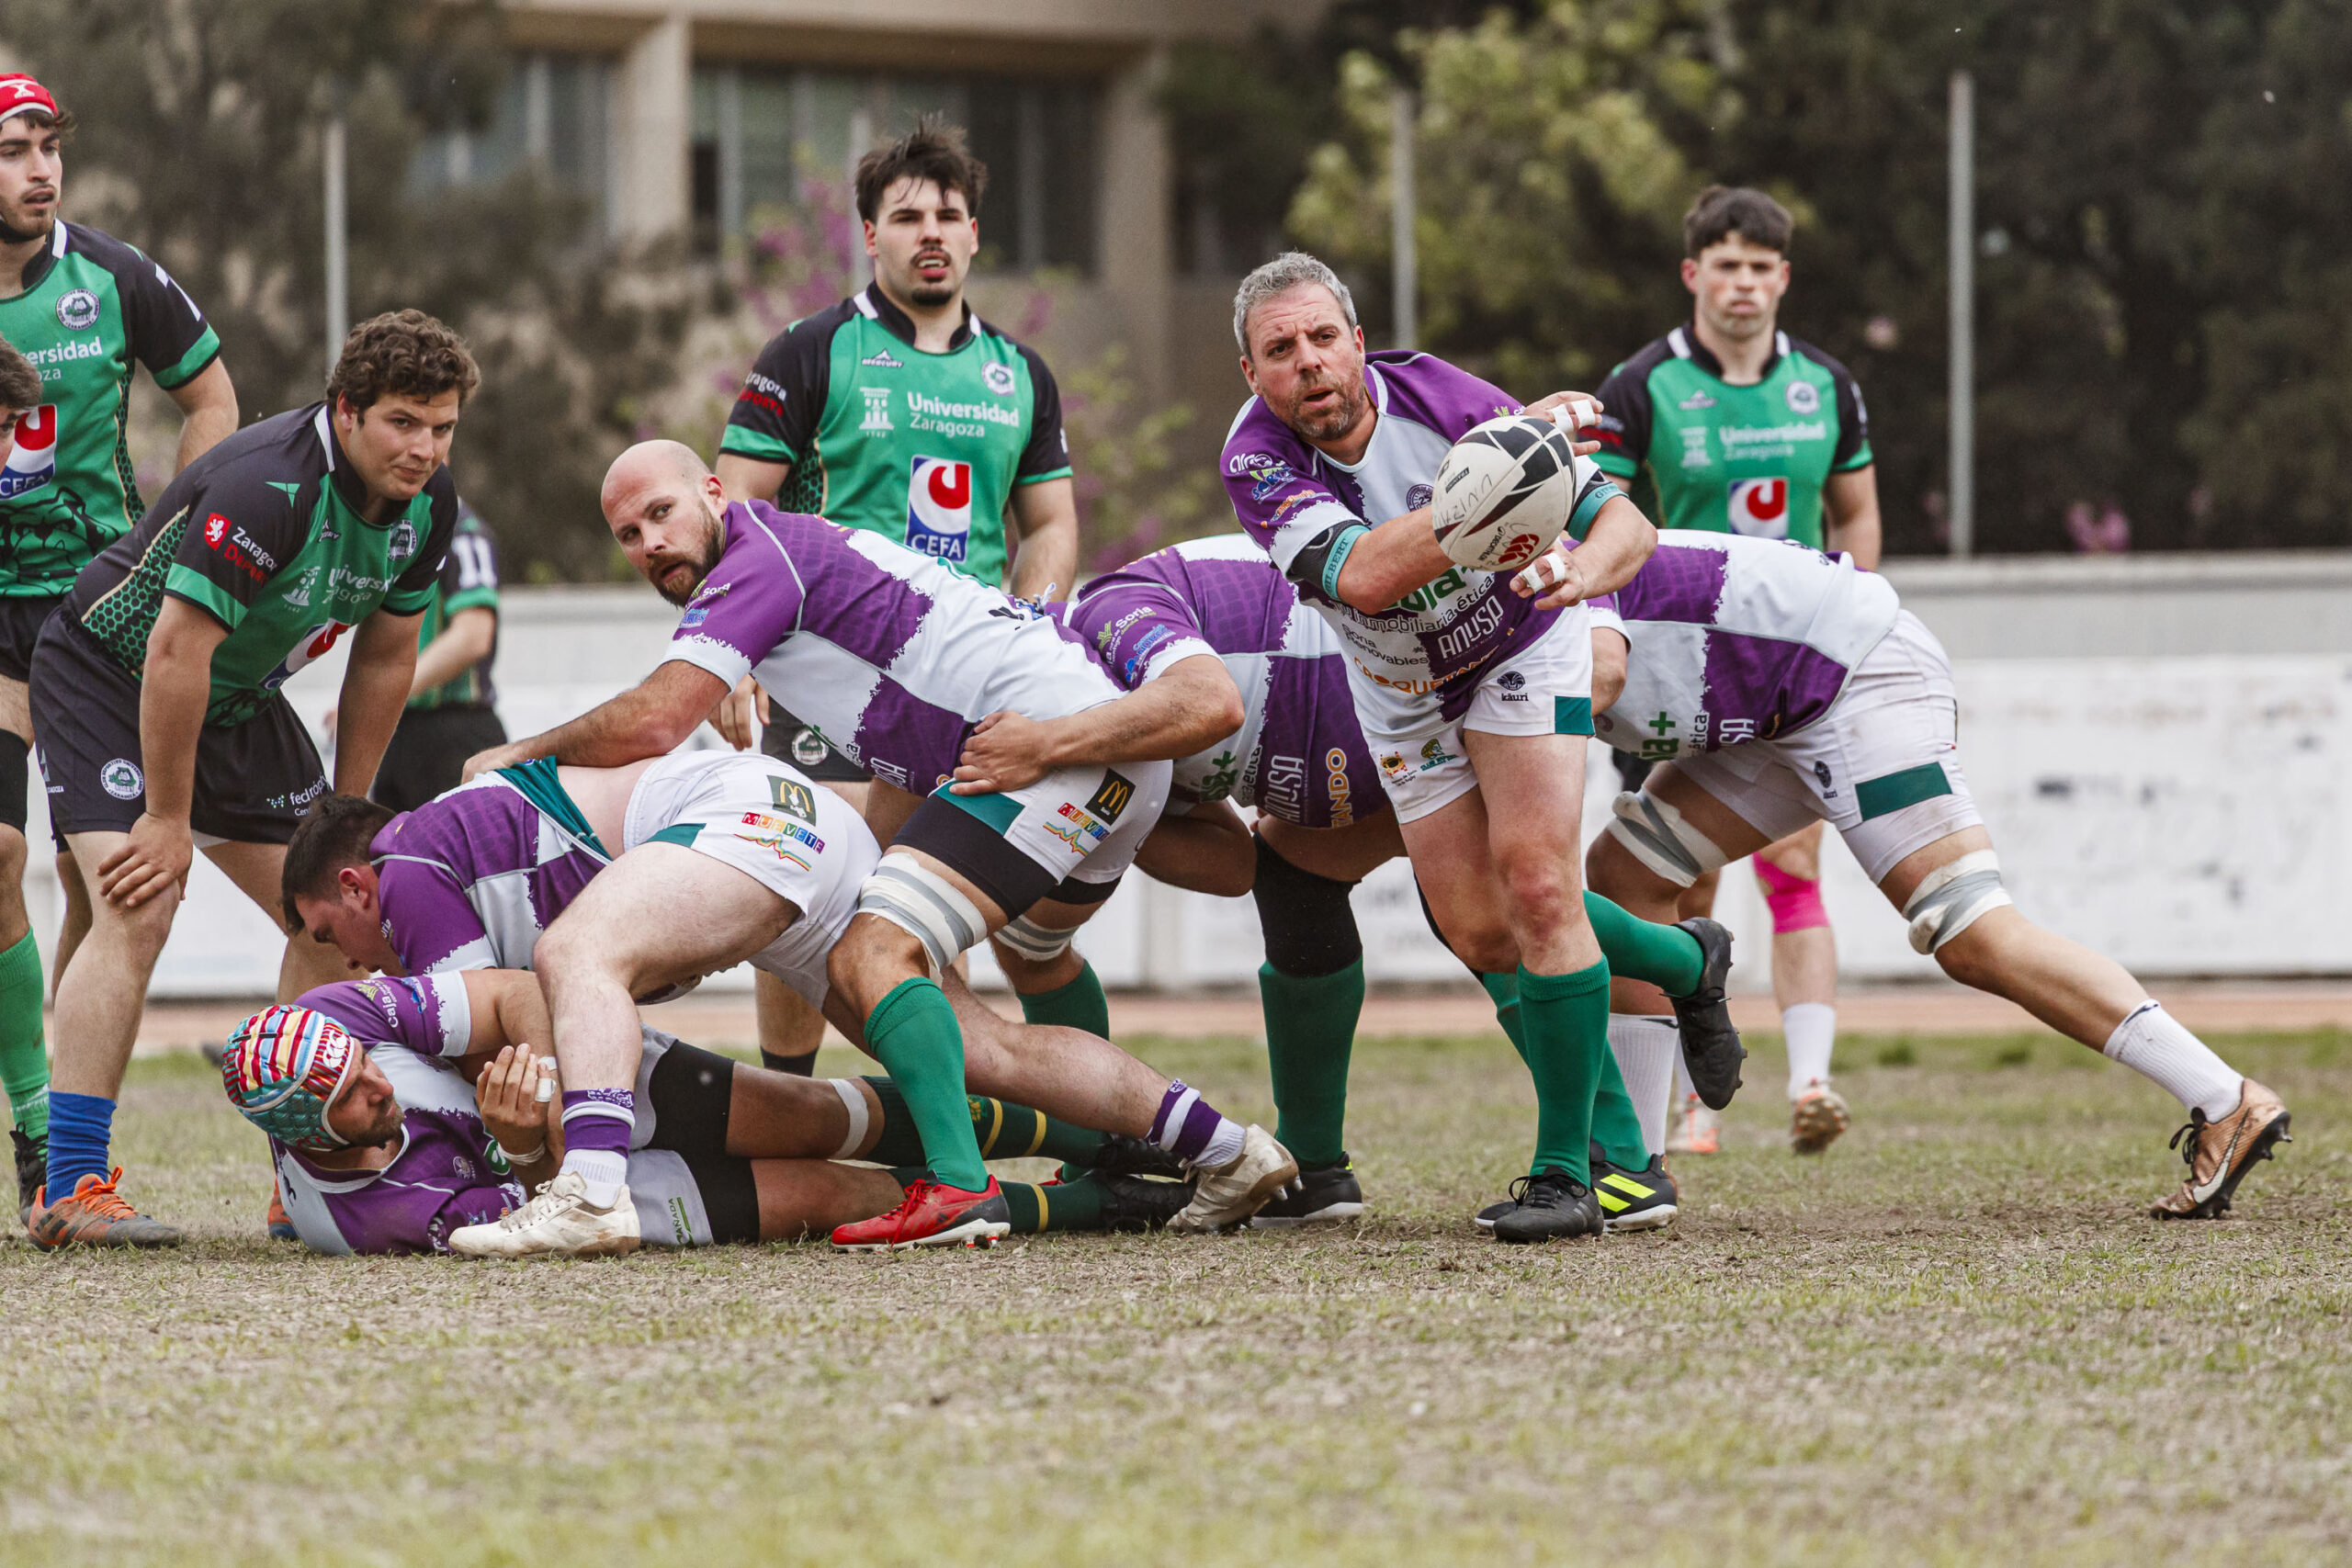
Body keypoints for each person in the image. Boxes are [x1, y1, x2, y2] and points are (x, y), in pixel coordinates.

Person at [448, 447, 1287, 1252]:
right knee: (974, 1034)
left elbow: (658, 718)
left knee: (876, 954)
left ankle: (958, 1186)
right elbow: (900, 775)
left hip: (1052, 743)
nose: (650, 544)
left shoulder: (757, 553)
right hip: (1091, 758)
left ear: (713, 491)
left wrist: (518, 753)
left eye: (661, 513)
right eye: (629, 535)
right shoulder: (796, 565)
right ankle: (1228, 1151)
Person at [1568, 529, 2290, 1220]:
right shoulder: (1493, 592)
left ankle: (2226, 1098)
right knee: (1624, 875)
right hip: (1780, 705)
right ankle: (1635, 1171)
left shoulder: (1526, 593)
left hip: (1858, 675)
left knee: (1970, 931)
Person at [1063, 534, 1745, 1232]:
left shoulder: (1096, 631)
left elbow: (1211, 702)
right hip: (1319, 698)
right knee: (1296, 876)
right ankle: (1316, 1168)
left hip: (1362, 669)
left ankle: (1625, 1152)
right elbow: (1233, 866)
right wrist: (1121, 814)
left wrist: (1062, 768)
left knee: (1484, 915)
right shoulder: (1074, 726)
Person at [1219, 252, 1672, 1244]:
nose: (1308, 364)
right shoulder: (1253, 459)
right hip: (1403, 693)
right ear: (1250, 375)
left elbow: (1627, 525)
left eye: (1323, 338)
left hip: (1521, 645)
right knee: (1474, 929)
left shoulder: (1446, 397)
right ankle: (1687, 962)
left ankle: (1574, 1174)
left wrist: (1578, 568)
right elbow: (1368, 577)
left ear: (1356, 339)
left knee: (1539, 885)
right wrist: (1509, 474)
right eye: (1280, 350)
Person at [26, 309, 471, 1247]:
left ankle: (301, 1175)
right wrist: (169, 816)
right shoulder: (267, 483)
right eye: (403, 422)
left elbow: (387, 659)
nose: (425, 448)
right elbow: (177, 652)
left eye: (441, 426)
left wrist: (348, 818)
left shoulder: (430, 507)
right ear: (345, 411)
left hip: (238, 698)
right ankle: (68, 1188)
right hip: (114, 673)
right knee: (139, 899)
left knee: (338, 910)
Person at [713, 118, 1078, 1079]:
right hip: (828, 662)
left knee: (925, 901)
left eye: (949, 216)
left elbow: (1048, 526)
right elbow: (736, 512)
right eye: (905, 215)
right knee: (804, 877)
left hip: (964, 673)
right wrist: (732, 654)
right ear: (868, 234)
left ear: (971, 234)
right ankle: (786, 1099)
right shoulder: (809, 351)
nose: (930, 232)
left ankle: (930, 1108)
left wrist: (1030, 622)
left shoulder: (1019, 374)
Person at [1591, 186, 1883, 1156]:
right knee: (1676, 880)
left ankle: (1810, 1082)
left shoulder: (1827, 387)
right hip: (1674, 674)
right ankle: (1690, 1105)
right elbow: (1603, 523)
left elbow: (1854, 514)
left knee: (1795, 866)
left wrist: (1852, 622)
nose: (1745, 283)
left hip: (1786, 670)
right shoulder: (1640, 386)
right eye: (1727, 265)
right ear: (1693, 276)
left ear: (1783, 279)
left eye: (1762, 267)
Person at [219, 972, 1193, 1257]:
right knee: (832, 1195)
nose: (378, 1084)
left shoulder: (330, 1020)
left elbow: (520, 993)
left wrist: (566, 1098)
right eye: (351, 1096)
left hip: (592, 1087)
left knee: (823, 1112)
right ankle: (1101, 1206)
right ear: (305, 1133)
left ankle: (1095, 1135)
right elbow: (533, 1226)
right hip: (569, 1185)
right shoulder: (367, 1218)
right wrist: (524, 1149)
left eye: (364, 1069)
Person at [0, 74, 239, 1218]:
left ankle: (68, 1145)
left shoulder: (115, 275)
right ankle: (45, 1129)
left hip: (94, 616)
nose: (39, 170)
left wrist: (167, 539)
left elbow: (215, 406)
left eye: (48, 146)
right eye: (12, 150)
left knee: (98, 881)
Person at [364, 497, 503, 813]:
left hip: (453, 730)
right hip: (402, 727)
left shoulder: (462, 531)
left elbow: (473, 635)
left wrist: (382, 691)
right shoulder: (393, 526)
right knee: (387, 855)